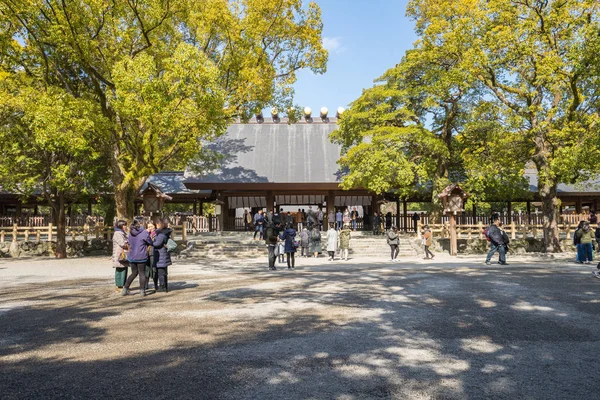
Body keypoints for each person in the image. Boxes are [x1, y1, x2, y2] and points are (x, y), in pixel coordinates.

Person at [122, 218, 153, 296]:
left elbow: (128, 243)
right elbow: (150, 242)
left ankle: (125, 288)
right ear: (142, 223)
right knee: (142, 273)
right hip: (141, 256)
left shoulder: (131, 232)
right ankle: (142, 291)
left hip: (132, 256)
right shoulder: (144, 233)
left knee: (134, 273)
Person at [152, 218, 173, 292]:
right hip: (164, 254)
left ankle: (162, 287)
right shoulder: (165, 233)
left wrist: (152, 242)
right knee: (163, 272)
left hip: (161, 255)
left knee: (161, 273)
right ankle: (164, 286)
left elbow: (157, 243)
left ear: (159, 225)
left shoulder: (161, 234)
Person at [112, 220, 129, 291]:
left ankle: (123, 285)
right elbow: (122, 243)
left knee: (124, 268)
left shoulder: (122, 233)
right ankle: (119, 285)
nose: (126, 227)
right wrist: (128, 242)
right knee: (120, 269)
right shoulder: (118, 233)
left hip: (123, 253)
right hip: (119, 254)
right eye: (124, 225)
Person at [145, 223, 158, 291]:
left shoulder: (157, 234)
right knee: (146, 269)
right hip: (146, 253)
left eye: (151, 226)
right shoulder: (145, 234)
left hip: (153, 252)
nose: (150, 228)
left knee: (154, 269)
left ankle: (156, 284)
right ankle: (146, 284)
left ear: (154, 226)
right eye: (149, 227)